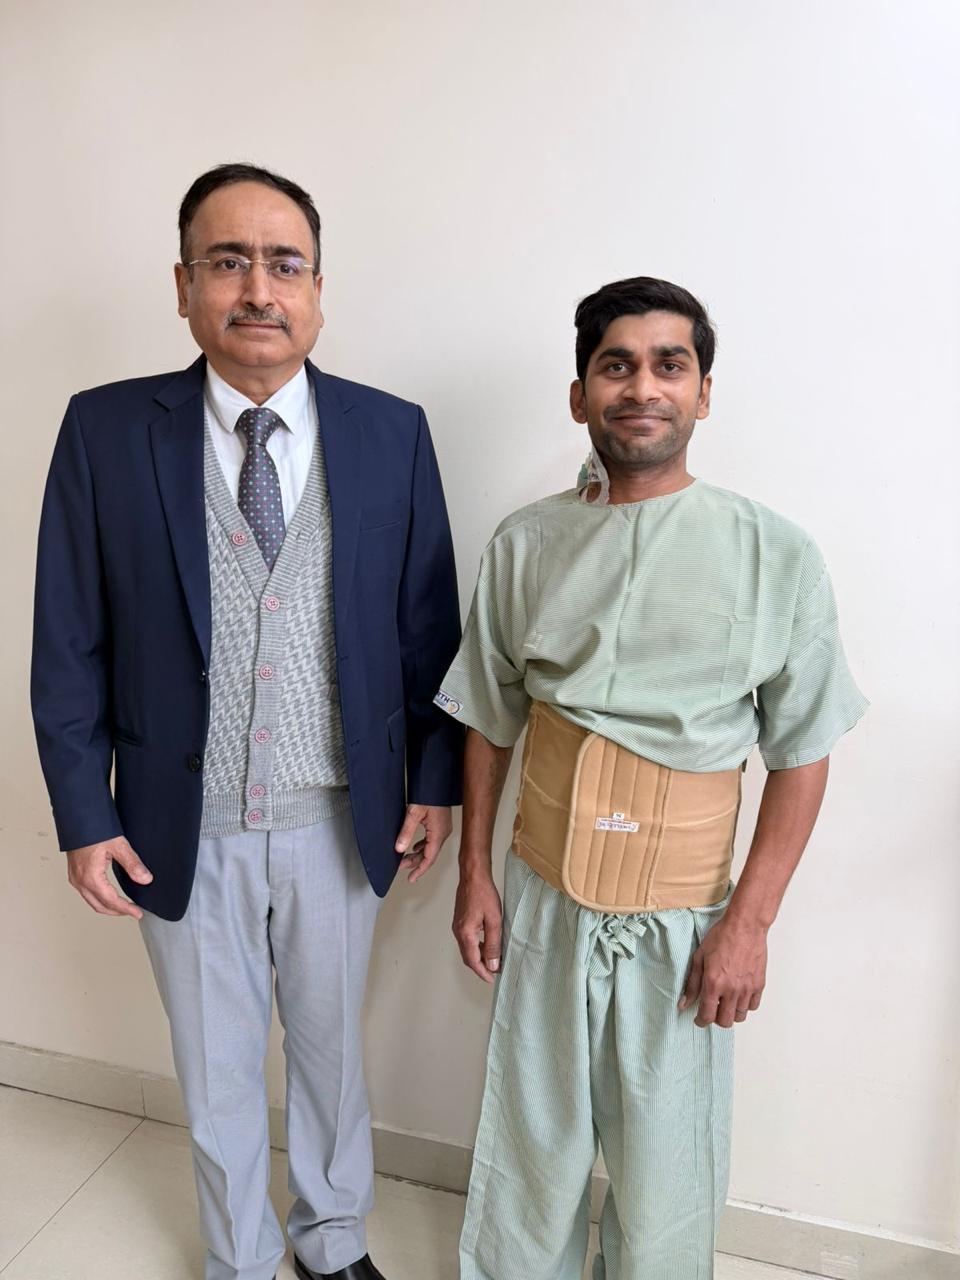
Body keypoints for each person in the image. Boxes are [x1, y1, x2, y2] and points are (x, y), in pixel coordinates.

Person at [31, 163, 463, 1280]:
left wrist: (435, 782)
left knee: (331, 1049)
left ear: (318, 289)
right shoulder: (105, 429)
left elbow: (429, 632)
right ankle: (239, 1255)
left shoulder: (391, 431)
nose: (258, 289)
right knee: (215, 1060)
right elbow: (68, 636)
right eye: (228, 262)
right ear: (184, 286)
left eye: (284, 264)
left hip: (342, 813)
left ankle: (333, 1240)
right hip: (178, 814)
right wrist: (84, 812)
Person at [436, 276, 867, 1280]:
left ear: (703, 393)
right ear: (579, 394)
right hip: (545, 895)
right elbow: (490, 717)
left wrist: (749, 924)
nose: (642, 387)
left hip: (686, 919)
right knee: (531, 1146)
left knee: (667, 1168)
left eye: (669, 365)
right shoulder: (526, 544)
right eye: (616, 365)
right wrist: (476, 872)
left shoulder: (776, 555)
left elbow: (803, 751)